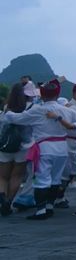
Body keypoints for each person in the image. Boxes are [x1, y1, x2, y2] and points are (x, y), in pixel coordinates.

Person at [2, 79, 72, 220]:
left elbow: (17, 119)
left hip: (45, 147)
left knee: (41, 178)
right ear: (57, 95)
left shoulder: (38, 110)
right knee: (55, 178)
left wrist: (7, 113)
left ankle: (41, 210)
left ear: (43, 95)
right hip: (62, 147)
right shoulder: (67, 111)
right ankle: (50, 206)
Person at [0, 83, 32, 216]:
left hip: (5, 145)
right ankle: (9, 201)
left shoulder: (7, 107)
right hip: (23, 146)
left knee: (3, 176)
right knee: (17, 176)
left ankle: (2, 197)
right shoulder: (30, 107)